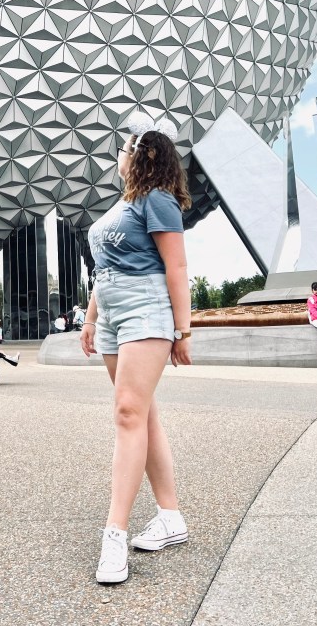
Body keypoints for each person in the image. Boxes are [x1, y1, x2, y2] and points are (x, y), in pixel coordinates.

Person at [81, 115, 192, 585]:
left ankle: (115, 532)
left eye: (123, 149)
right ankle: (171, 518)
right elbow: (103, 266)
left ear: (142, 156)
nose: (117, 157)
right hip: (111, 311)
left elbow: (177, 265)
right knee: (142, 416)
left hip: (146, 307)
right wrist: (90, 319)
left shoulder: (158, 199)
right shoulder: (121, 205)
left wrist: (182, 331)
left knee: (128, 413)